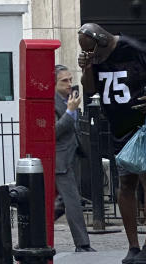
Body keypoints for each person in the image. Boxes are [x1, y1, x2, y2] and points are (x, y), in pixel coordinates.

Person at [78, 23, 146, 264]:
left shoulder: (136, 48)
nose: (97, 57)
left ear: (103, 41)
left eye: (97, 53)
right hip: (120, 130)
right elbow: (90, 88)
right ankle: (133, 246)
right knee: (125, 184)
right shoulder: (96, 57)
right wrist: (88, 67)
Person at [53, 65, 94, 253]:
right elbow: (54, 132)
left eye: (70, 79)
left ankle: (36, 229)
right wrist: (70, 112)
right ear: (54, 84)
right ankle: (83, 244)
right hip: (60, 160)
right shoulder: (53, 103)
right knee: (73, 203)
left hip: (72, 155)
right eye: (64, 81)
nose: (70, 84)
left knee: (63, 202)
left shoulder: (70, 98)